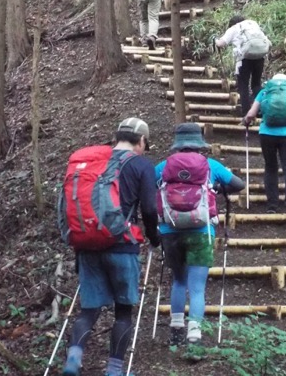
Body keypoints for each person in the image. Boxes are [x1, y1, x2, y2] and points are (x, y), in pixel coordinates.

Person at [62, 118, 160, 376]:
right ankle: (114, 369)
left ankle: (74, 357)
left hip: (87, 245)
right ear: (141, 141)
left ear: (116, 138)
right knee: (123, 312)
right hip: (122, 246)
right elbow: (149, 208)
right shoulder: (141, 165)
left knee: (89, 310)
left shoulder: (95, 162)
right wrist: (155, 237)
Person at [155, 123, 244, 348]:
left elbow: (147, 189)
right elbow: (239, 185)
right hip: (201, 231)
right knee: (197, 287)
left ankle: (176, 328)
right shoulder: (210, 165)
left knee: (177, 280)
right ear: (199, 143)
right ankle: (194, 333)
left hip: (169, 230)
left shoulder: (162, 167)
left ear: (177, 144)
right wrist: (215, 187)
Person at [243, 74, 286, 214]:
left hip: (267, 134)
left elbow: (251, 114)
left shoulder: (264, 92)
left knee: (270, 168)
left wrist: (246, 121)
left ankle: (272, 205)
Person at [214, 15, 271, 116]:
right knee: (256, 84)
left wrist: (215, 40)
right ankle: (260, 110)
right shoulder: (253, 24)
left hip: (244, 60)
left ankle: (246, 113)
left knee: (243, 86)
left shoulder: (234, 28)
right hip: (260, 56)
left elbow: (221, 44)